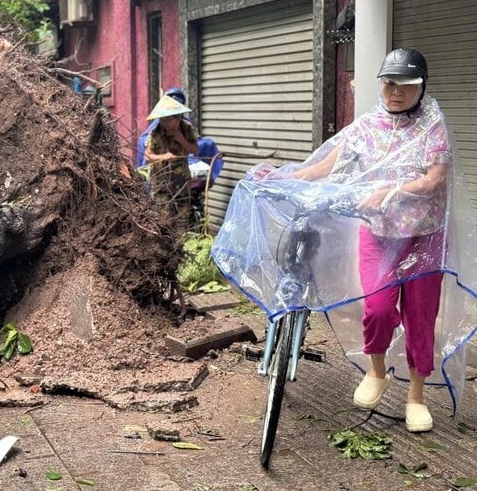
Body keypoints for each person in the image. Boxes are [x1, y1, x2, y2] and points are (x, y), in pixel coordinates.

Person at [212, 48, 476, 431]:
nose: (395, 91)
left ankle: (416, 396)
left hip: (425, 238)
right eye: (388, 83)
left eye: (405, 84)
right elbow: (326, 165)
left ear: (421, 86)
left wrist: (391, 191)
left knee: (421, 317)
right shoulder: (368, 125)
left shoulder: (432, 123)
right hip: (379, 234)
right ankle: (377, 369)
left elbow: (435, 178)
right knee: (378, 309)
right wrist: (284, 178)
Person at [143, 94, 199, 235]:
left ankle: (180, 247)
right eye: (162, 120)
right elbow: (147, 156)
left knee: (182, 218)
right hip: (160, 182)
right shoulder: (155, 133)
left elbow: (195, 150)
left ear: (178, 118)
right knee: (163, 219)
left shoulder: (186, 129)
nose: (165, 123)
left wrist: (181, 140)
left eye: (169, 120)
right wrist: (164, 157)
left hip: (181, 181)